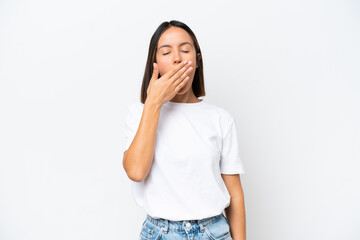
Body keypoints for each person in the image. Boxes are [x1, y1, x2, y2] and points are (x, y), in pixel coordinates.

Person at [122, 20, 246, 240]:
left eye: (185, 50)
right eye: (166, 52)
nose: (177, 58)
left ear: (197, 61)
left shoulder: (220, 119)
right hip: (159, 234)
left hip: (213, 232)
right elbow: (136, 171)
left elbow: (235, 194)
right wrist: (153, 103)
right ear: (155, 64)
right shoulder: (139, 113)